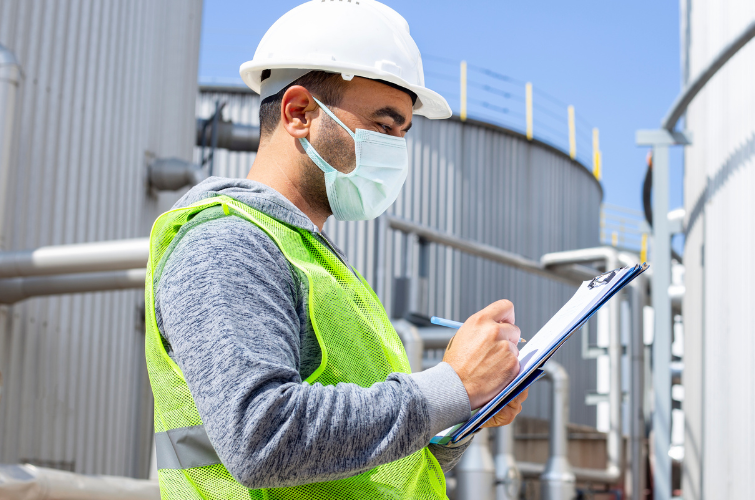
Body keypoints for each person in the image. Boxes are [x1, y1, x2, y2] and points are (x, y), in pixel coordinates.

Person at [144, 1, 527, 498]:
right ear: (300, 112)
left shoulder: (320, 263)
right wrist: (451, 384)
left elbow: (364, 467)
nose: (396, 149)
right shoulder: (227, 243)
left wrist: (466, 408)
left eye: (403, 133)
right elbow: (262, 437)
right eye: (384, 127)